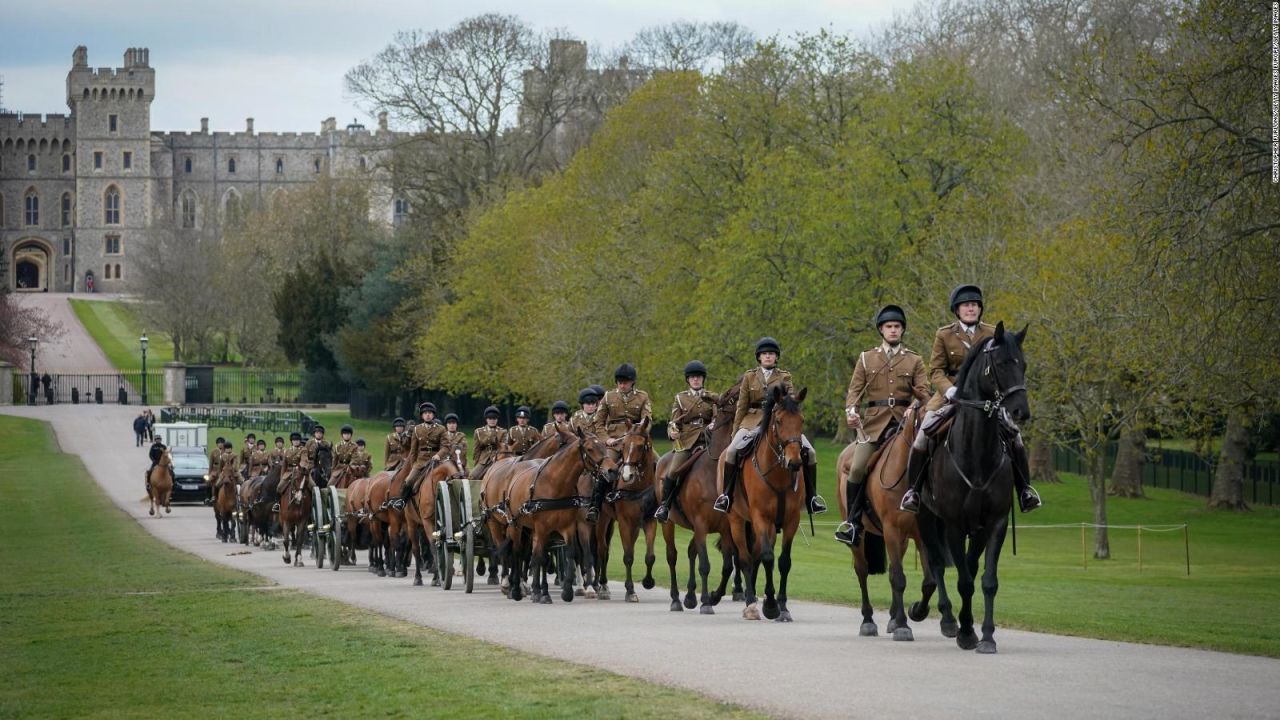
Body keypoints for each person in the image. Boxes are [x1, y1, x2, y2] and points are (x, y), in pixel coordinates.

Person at [899, 284, 1042, 514]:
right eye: (966, 305)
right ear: (957, 310)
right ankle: (913, 492)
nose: (971, 309)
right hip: (950, 395)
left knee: (1016, 437)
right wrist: (949, 390)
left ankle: (1025, 491)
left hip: (985, 398)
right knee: (923, 434)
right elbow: (935, 370)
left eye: (974, 305)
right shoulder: (944, 334)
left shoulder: (994, 333)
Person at [833, 306, 931, 546]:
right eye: (889, 327)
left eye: (897, 327)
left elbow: (925, 391)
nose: (893, 330)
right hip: (874, 426)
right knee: (856, 469)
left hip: (905, 422)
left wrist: (915, 406)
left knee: (932, 461)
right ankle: (853, 524)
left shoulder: (914, 359)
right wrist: (851, 411)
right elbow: (855, 391)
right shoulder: (867, 358)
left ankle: (936, 518)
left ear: (902, 330)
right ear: (881, 330)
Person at [714, 338, 826, 515]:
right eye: (765, 354)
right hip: (751, 421)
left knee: (810, 452)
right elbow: (742, 406)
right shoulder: (749, 377)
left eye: (771, 354)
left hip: (779, 422)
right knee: (731, 452)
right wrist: (735, 431)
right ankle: (726, 496)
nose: (768, 356)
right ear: (759, 357)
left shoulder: (784, 376)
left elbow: (791, 402)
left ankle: (811, 498)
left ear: (776, 358)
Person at [654, 360, 718, 522]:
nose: (696, 380)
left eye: (698, 377)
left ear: (703, 379)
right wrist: (673, 432)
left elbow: (718, 416)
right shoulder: (680, 398)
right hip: (688, 440)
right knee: (673, 471)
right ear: (688, 380)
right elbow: (674, 422)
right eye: (692, 377)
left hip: (709, 438)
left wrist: (713, 423)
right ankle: (665, 506)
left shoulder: (712, 397)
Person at [587, 363, 652, 522]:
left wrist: (639, 433)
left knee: (658, 463)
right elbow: (598, 422)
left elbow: (647, 420)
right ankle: (595, 506)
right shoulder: (608, 397)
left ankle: (663, 504)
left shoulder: (642, 397)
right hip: (615, 442)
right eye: (620, 382)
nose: (622, 385)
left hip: (635, 440)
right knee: (605, 470)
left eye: (625, 382)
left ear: (632, 382)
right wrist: (606, 439)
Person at [401, 402, 449, 500]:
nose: (428, 415)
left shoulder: (441, 429)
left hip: (437, 462)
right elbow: (413, 450)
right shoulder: (416, 429)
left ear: (433, 415)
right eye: (425, 413)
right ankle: (402, 502)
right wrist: (414, 464)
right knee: (408, 481)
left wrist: (438, 455)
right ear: (422, 415)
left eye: (430, 413)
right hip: (420, 463)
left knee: (449, 482)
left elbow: (446, 447)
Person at [472, 406, 506, 472]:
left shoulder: (502, 432)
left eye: (494, 418)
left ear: (497, 419)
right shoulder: (479, 431)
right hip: (483, 460)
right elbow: (477, 449)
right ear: (486, 419)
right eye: (490, 418)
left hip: (497, 459)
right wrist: (476, 463)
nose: (492, 421)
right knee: (473, 476)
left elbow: (503, 448)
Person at [205, 437, 226, 505]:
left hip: (223, 470)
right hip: (214, 470)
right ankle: (208, 497)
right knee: (208, 481)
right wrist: (209, 473)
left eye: (221, 443)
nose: (220, 444)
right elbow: (211, 464)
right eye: (219, 443)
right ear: (217, 444)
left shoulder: (226, 452)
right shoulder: (213, 452)